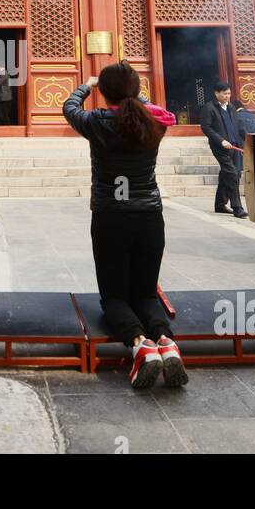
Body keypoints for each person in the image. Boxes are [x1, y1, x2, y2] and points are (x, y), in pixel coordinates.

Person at [63, 60, 186, 390]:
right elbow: (152, 107)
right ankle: (166, 343)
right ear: (136, 91)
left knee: (114, 297)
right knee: (146, 293)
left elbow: (69, 107)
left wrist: (86, 86)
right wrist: (135, 95)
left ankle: (140, 346)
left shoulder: (96, 122)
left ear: (103, 93)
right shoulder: (155, 121)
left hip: (110, 216)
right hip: (149, 216)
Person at [200, 81, 248, 218]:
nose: (227, 96)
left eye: (229, 93)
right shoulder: (209, 108)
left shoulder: (232, 107)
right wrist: (221, 140)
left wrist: (248, 142)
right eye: (224, 93)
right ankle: (237, 208)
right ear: (216, 93)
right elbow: (206, 128)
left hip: (235, 146)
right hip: (220, 147)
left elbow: (239, 127)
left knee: (231, 174)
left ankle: (220, 205)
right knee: (232, 173)